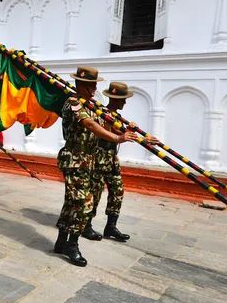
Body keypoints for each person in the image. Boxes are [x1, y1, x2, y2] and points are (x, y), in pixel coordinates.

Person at [54, 66, 139, 267]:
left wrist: (128, 130)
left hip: (88, 160)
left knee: (72, 202)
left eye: (95, 85)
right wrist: (119, 138)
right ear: (81, 85)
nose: (94, 89)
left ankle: (60, 242)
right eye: (91, 85)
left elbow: (106, 124)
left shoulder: (91, 105)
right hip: (75, 158)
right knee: (84, 203)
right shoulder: (74, 104)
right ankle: (71, 245)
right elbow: (92, 126)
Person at [84, 82, 159, 242]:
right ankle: (87, 225)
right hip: (99, 159)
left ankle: (111, 226)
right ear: (115, 99)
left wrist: (132, 130)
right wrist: (142, 138)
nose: (124, 103)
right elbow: (116, 131)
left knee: (117, 191)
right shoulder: (102, 113)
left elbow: (123, 131)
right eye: (122, 100)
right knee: (95, 193)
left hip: (111, 160)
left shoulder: (117, 115)